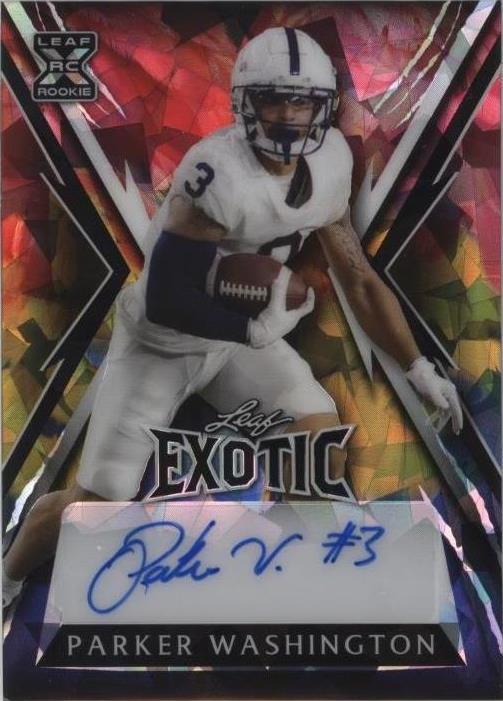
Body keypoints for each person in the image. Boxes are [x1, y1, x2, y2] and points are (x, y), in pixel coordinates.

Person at [3, 27, 462, 606]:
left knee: (316, 441)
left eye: (302, 102)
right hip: (161, 344)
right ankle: (7, 578)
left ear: (324, 108)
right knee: (98, 504)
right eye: (273, 99)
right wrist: (254, 327)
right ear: (244, 103)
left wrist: (417, 367)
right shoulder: (216, 172)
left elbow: (359, 279)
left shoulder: (330, 164)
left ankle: (295, 573)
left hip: (238, 338)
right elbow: (169, 295)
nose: (288, 115)